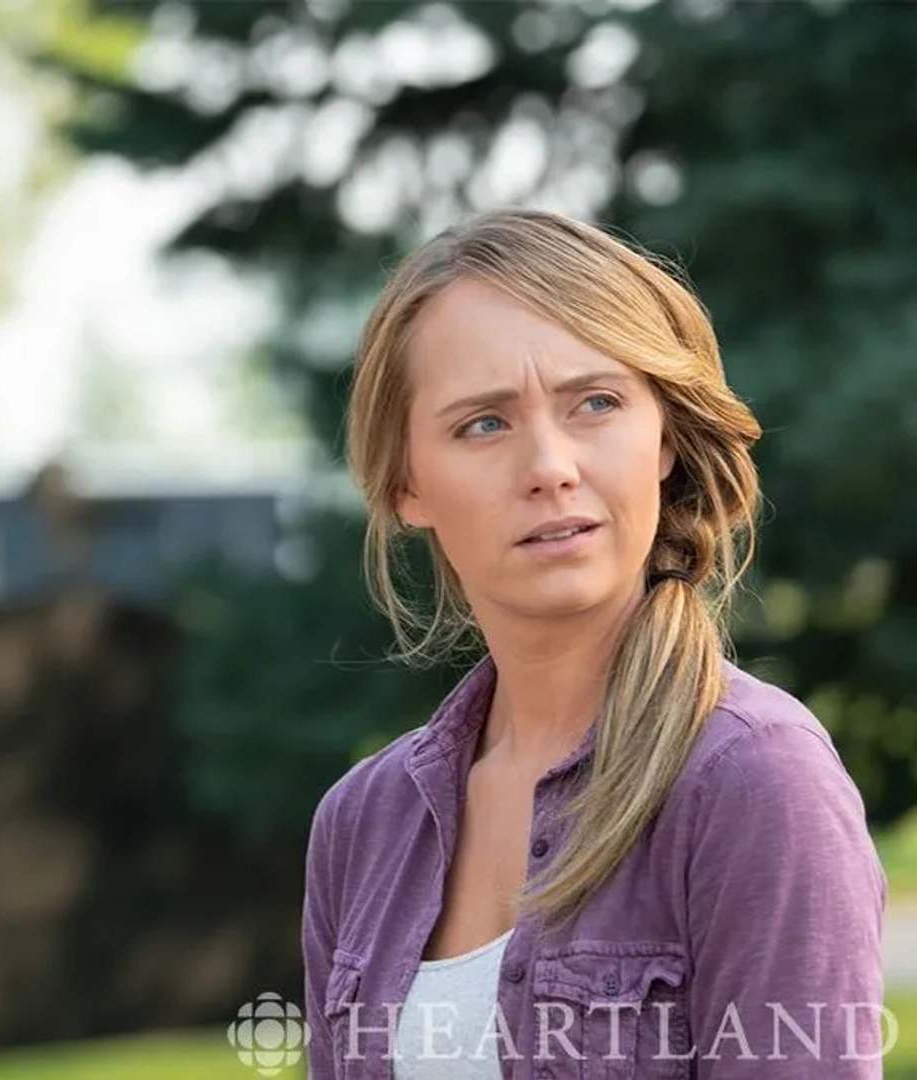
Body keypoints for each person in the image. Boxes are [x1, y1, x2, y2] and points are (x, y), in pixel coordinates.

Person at [303, 208, 885, 1078]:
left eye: (597, 404)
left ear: (663, 440)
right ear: (405, 484)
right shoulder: (361, 824)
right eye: (483, 424)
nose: (550, 465)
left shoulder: (757, 783)